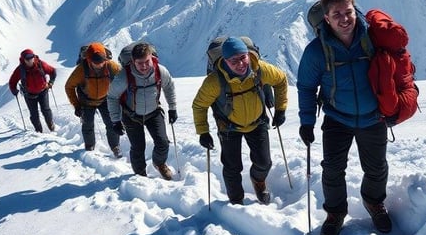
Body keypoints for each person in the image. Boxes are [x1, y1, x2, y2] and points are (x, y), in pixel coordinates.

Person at [297, 0, 392, 235]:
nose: (344, 18)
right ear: (326, 19)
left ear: (355, 10)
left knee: (376, 168)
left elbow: (395, 70)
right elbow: (306, 87)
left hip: (374, 117)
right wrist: (306, 122)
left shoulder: (373, 40)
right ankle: (335, 212)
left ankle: (374, 202)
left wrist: (396, 103)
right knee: (332, 169)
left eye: (347, 11)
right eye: (336, 14)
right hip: (337, 118)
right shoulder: (317, 51)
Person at [192, 37, 288, 205]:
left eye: (243, 57)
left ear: (248, 54)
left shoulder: (260, 69)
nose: (240, 63)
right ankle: (236, 201)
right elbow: (199, 106)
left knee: (264, 162)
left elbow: (281, 80)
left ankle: (258, 180)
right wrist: (203, 132)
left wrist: (281, 109)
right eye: (233, 60)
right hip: (228, 127)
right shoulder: (214, 81)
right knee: (232, 168)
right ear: (225, 60)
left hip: (257, 123)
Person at [107, 42, 177, 179]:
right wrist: (115, 120)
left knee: (162, 143)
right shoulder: (123, 76)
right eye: (140, 63)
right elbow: (112, 97)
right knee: (138, 147)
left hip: (154, 112)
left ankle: (159, 163)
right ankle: (140, 175)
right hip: (131, 115)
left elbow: (169, 86)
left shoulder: (160, 71)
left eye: (147, 61)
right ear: (133, 61)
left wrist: (172, 108)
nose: (144, 66)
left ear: (152, 58)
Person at [65, 42, 123, 157]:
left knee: (112, 123)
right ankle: (89, 147)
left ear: (105, 59)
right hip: (86, 101)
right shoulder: (81, 69)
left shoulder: (111, 66)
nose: (99, 65)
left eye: (101, 62)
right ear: (88, 59)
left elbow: (123, 79)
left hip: (105, 99)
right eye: (95, 63)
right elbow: (69, 86)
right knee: (88, 125)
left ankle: (115, 147)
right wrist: (76, 105)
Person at [8, 48, 57, 133]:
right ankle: (39, 132)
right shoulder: (20, 70)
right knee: (34, 114)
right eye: (27, 58)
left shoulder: (41, 64)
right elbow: (12, 81)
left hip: (43, 91)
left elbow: (53, 71)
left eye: (32, 57)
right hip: (29, 95)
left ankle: (51, 126)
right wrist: (13, 90)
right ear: (23, 59)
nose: (30, 60)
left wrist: (51, 83)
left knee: (46, 110)